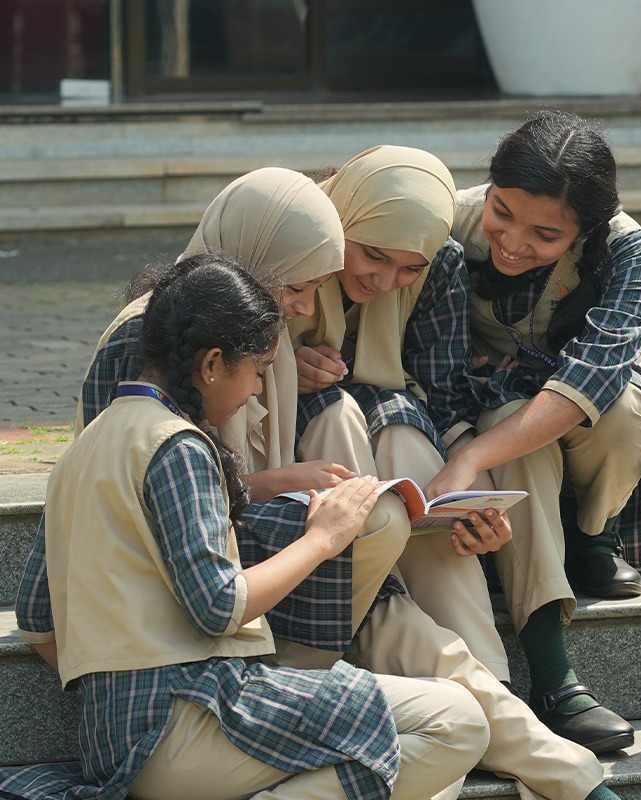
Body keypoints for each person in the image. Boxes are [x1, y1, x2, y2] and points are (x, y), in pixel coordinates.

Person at [0, 255, 488, 800]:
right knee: (458, 720)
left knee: (415, 768)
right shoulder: (177, 445)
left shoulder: (81, 451)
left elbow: (39, 622)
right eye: (258, 368)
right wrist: (323, 537)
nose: (258, 389)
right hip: (195, 722)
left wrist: (119, 685)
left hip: (116, 745)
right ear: (211, 363)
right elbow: (219, 606)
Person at [287, 146, 622, 798]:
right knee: (339, 418)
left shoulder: (438, 261)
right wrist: (284, 366)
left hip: (383, 437)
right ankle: (494, 713)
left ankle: (487, 681)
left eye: (406, 267)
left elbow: (440, 388)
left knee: (409, 435)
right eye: (372, 255)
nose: (386, 281)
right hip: (297, 463)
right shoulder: (291, 242)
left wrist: (472, 501)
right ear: (341, 223)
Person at [75, 167, 414, 669]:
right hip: (177, 576)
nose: (303, 307)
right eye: (296, 286)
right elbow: (137, 491)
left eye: (317, 288)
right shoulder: (144, 337)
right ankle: (299, 671)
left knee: (443, 677)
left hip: (222, 555)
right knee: (375, 521)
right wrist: (282, 492)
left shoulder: (259, 331)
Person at [425, 109, 641, 752]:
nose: (512, 241)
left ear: (585, 229)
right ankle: (554, 676)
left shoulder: (628, 250)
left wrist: (469, 460)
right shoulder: (443, 220)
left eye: (544, 234)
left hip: (594, 399)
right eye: (502, 212)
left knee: (623, 411)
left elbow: (591, 380)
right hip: (485, 401)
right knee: (512, 423)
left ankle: (594, 534)